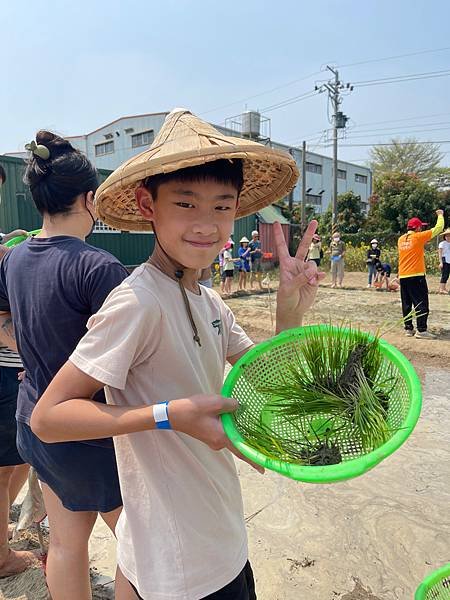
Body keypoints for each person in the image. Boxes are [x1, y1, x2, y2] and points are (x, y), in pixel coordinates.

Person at [30, 108, 323, 600]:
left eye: (222, 206)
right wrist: (169, 415)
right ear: (148, 204)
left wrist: (288, 314)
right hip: (178, 569)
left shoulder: (208, 299)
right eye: (186, 204)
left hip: (220, 536)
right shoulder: (137, 301)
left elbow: (270, 381)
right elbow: (49, 418)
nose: (206, 225)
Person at [0, 133, 137, 600]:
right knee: (142, 549)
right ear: (89, 199)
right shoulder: (99, 268)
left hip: (34, 419)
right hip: (91, 432)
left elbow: (13, 322)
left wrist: (37, 359)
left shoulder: (15, 258)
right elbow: (132, 361)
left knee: (65, 544)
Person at [0, 165, 34, 577]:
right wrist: (32, 354)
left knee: (13, 463)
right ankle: (3, 557)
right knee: (6, 465)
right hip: (7, 373)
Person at [398, 210, 444, 339]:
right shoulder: (418, 237)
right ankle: (422, 330)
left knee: (406, 303)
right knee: (421, 303)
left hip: (403, 275)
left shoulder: (401, 239)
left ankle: (408, 328)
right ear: (417, 228)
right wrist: (440, 215)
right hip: (416, 275)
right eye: (421, 227)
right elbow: (439, 228)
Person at [438, 228, 450, 294]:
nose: (448, 237)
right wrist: (441, 263)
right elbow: (440, 253)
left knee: (447, 276)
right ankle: (441, 289)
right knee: (445, 275)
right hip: (445, 260)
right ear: (444, 237)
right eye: (447, 236)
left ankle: (444, 288)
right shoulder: (442, 243)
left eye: (449, 235)